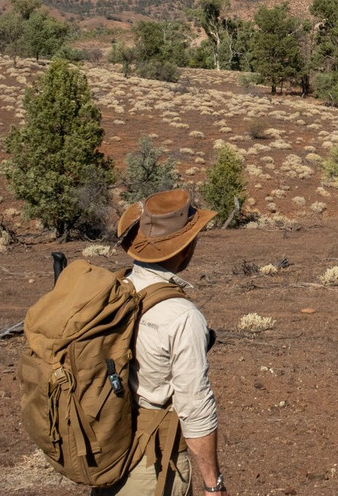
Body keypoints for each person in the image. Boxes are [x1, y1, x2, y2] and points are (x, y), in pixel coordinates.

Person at [93, 189, 228, 496]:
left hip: (108, 451)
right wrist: (213, 485)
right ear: (183, 249)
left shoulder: (113, 291)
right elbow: (194, 406)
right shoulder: (181, 316)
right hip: (154, 464)